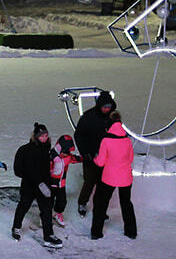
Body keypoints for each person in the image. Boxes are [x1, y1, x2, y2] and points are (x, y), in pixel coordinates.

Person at [11, 123, 63, 248]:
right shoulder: (27, 150)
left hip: (44, 184)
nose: (45, 138)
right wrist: (40, 183)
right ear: (36, 136)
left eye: (46, 135)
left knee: (46, 210)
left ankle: (48, 236)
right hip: (30, 185)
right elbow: (28, 170)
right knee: (24, 206)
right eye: (42, 136)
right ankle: (16, 227)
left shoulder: (46, 149)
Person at [90, 111, 137, 240]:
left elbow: (100, 162)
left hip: (109, 177)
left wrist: (94, 158)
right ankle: (131, 231)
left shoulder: (106, 140)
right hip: (126, 177)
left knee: (101, 204)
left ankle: (96, 233)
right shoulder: (127, 140)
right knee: (126, 204)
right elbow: (131, 158)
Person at [73, 91, 115, 217]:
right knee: (89, 181)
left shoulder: (112, 118)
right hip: (90, 156)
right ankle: (82, 203)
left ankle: (100, 208)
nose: (107, 109)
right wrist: (85, 153)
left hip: (106, 157)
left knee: (103, 183)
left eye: (109, 107)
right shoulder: (88, 117)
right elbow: (78, 135)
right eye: (105, 107)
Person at [48, 135, 81, 228]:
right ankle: (45, 215)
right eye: (65, 151)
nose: (67, 153)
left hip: (61, 183)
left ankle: (57, 213)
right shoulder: (52, 155)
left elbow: (76, 159)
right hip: (51, 183)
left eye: (68, 152)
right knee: (48, 201)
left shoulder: (68, 157)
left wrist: (87, 158)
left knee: (62, 201)